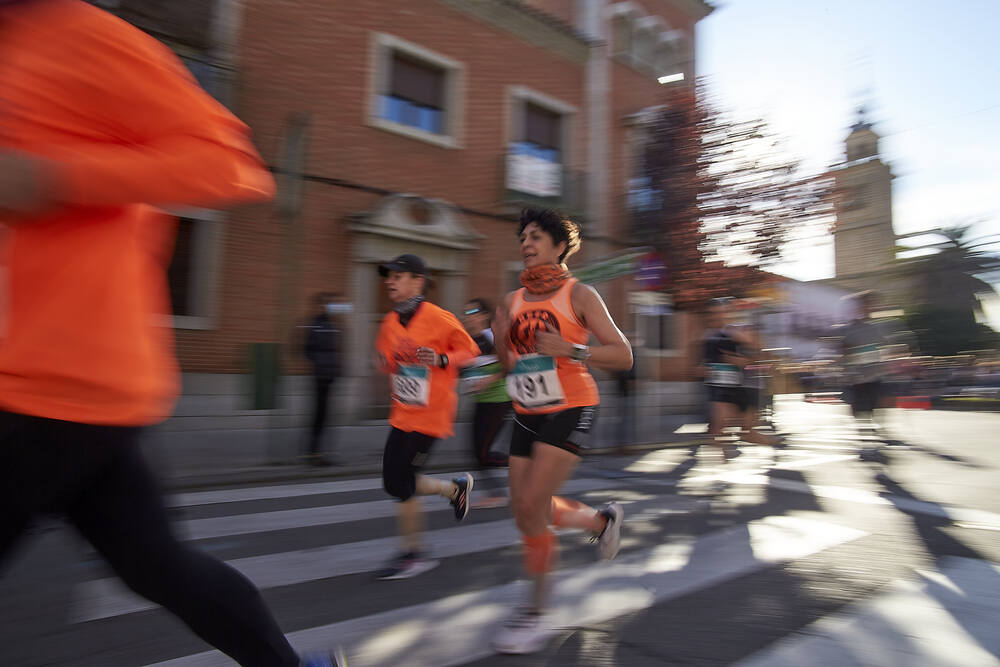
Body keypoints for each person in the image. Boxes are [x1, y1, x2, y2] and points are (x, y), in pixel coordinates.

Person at [0, 2, 341, 665]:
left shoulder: (80, 34)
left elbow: (228, 161)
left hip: (52, 381)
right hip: (63, 386)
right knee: (158, 567)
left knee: (161, 567)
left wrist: (55, 175)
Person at [490, 208, 633, 654]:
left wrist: (573, 348)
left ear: (558, 245)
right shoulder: (511, 302)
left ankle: (536, 613)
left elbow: (623, 355)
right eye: (523, 238)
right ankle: (598, 520)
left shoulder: (580, 294)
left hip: (572, 405)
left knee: (533, 503)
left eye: (535, 237)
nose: (526, 244)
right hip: (526, 408)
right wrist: (498, 341)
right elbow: (510, 366)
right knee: (524, 509)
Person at [374, 253, 481, 579]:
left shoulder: (439, 317)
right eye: (388, 276)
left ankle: (413, 554)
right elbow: (388, 360)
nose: (390, 281)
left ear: (418, 280)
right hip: (402, 412)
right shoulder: (390, 321)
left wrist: (441, 359)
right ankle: (454, 489)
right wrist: (386, 363)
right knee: (394, 482)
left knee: (402, 483)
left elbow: (471, 352)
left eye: (397, 275)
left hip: (432, 414)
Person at [701, 298, 778, 462]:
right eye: (713, 313)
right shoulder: (708, 336)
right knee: (718, 427)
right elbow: (705, 363)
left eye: (721, 312)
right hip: (721, 386)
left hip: (742, 386)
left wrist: (741, 357)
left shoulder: (739, 331)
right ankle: (722, 464)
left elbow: (759, 355)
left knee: (745, 430)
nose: (717, 316)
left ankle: (772, 446)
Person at [459, 297, 512, 507]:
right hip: (482, 400)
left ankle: (525, 464)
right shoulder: (467, 340)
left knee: (482, 453)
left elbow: (509, 365)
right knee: (475, 453)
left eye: (472, 313)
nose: (467, 317)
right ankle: (497, 493)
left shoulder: (491, 337)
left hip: (499, 400)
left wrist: (489, 379)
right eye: (465, 313)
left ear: (484, 316)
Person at [303, 291, 345, 466]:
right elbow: (307, 349)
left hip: (329, 377)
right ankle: (313, 454)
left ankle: (319, 453)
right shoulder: (316, 325)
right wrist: (320, 364)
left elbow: (336, 349)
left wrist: (337, 368)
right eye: (329, 304)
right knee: (319, 416)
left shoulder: (333, 324)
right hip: (320, 376)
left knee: (325, 416)